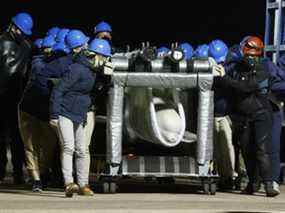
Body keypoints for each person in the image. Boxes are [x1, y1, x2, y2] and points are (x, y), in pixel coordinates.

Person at [214, 36, 279, 197]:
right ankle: (253, 183)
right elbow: (229, 84)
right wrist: (219, 77)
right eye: (248, 55)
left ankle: (268, 183)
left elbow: (245, 87)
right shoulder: (237, 68)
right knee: (246, 150)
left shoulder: (263, 69)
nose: (251, 58)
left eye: (254, 56)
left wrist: (224, 79)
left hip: (261, 114)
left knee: (261, 148)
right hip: (244, 116)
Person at [19, 35, 58, 192]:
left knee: (45, 146)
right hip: (29, 109)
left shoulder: (44, 63)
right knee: (31, 146)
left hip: (41, 110)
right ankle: (36, 179)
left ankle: (40, 175)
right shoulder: (39, 64)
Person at [0, 12, 33, 184]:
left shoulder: (26, 46)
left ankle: (18, 173)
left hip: (15, 98)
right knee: (10, 137)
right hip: (10, 96)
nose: (22, 34)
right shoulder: (24, 46)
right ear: (13, 27)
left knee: (17, 137)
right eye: (21, 30)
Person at [209, 39, 237, 190]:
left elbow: (233, 88)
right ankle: (219, 176)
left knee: (227, 147)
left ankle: (230, 177)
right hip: (213, 114)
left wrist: (223, 76)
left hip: (226, 114)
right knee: (215, 149)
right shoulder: (208, 68)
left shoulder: (232, 68)